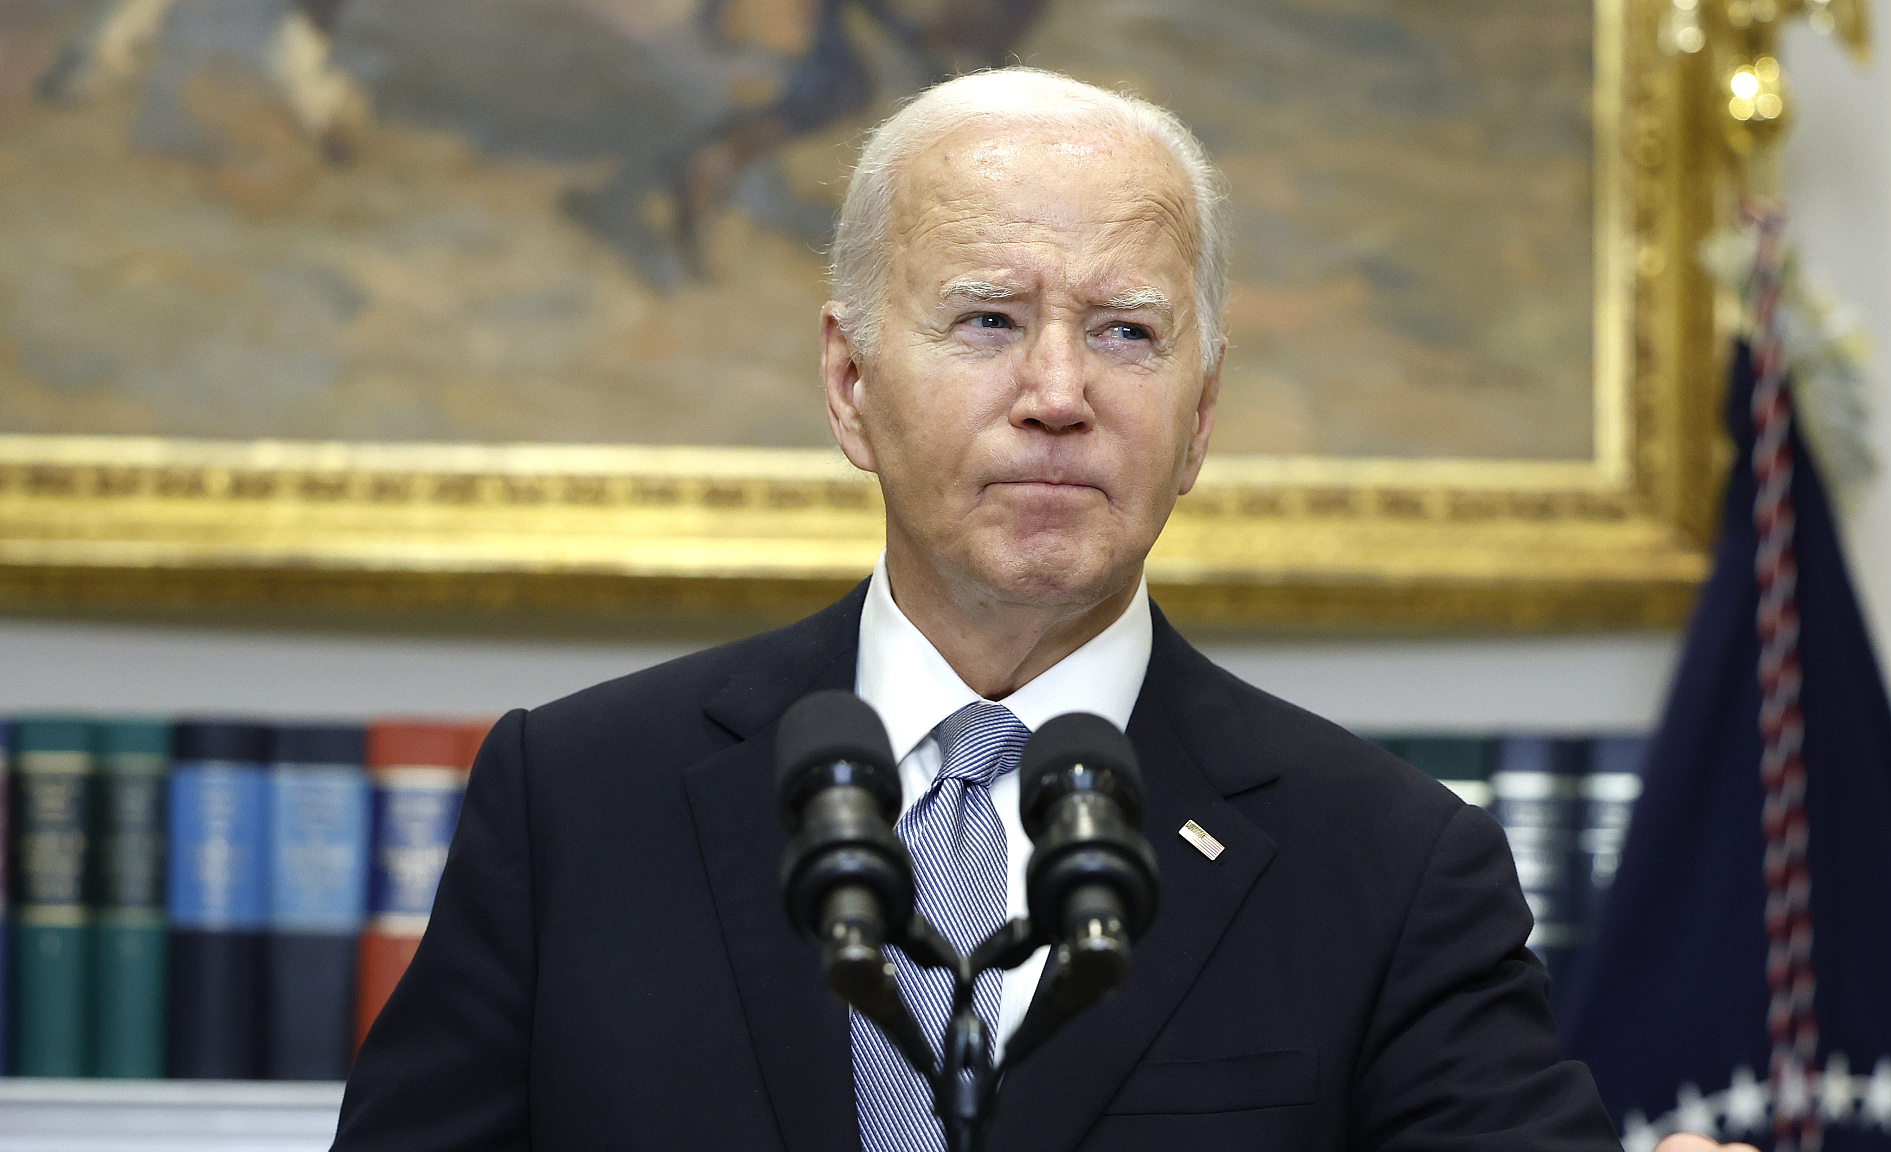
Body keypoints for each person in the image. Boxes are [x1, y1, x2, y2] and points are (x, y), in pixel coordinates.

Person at [334, 68, 1713, 1152]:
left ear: (1200, 416)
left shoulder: (1392, 868)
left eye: (1127, 332)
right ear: (850, 383)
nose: (1059, 392)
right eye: (988, 320)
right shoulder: (577, 800)